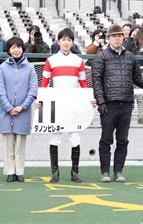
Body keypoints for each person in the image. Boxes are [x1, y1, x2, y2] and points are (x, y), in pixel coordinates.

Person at [91, 24, 143, 182]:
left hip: (126, 104)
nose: (117, 38)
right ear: (109, 38)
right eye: (114, 36)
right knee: (106, 139)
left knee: (122, 140)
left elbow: (138, 79)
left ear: (123, 38)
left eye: (119, 36)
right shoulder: (101, 56)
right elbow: (96, 82)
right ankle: (104, 172)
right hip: (109, 104)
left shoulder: (131, 57)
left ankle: (118, 171)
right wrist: (101, 102)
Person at [41, 28, 90, 183]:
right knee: (54, 137)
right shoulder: (51, 60)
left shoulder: (78, 61)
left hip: (74, 105)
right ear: (58, 41)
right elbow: (44, 83)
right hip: (56, 104)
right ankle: (54, 173)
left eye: (69, 40)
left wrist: (89, 99)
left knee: (75, 137)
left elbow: (83, 83)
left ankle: (74, 173)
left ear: (73, 42)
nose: (66, 42)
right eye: (63, 39)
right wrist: (40, 100)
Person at [0, 37, 38, 183]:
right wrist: (9, 108)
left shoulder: (30, 68)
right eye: (13, 47)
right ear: (8, 50)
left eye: (18, 47)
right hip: (6, 112)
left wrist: (22, 107)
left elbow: (33, 90)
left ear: (22, 49)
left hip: (23, 111)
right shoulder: (2, 68)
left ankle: (19, 171)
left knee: (20, 143)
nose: (16, 50)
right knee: (8, 143)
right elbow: (0, 91)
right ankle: (10, 171)